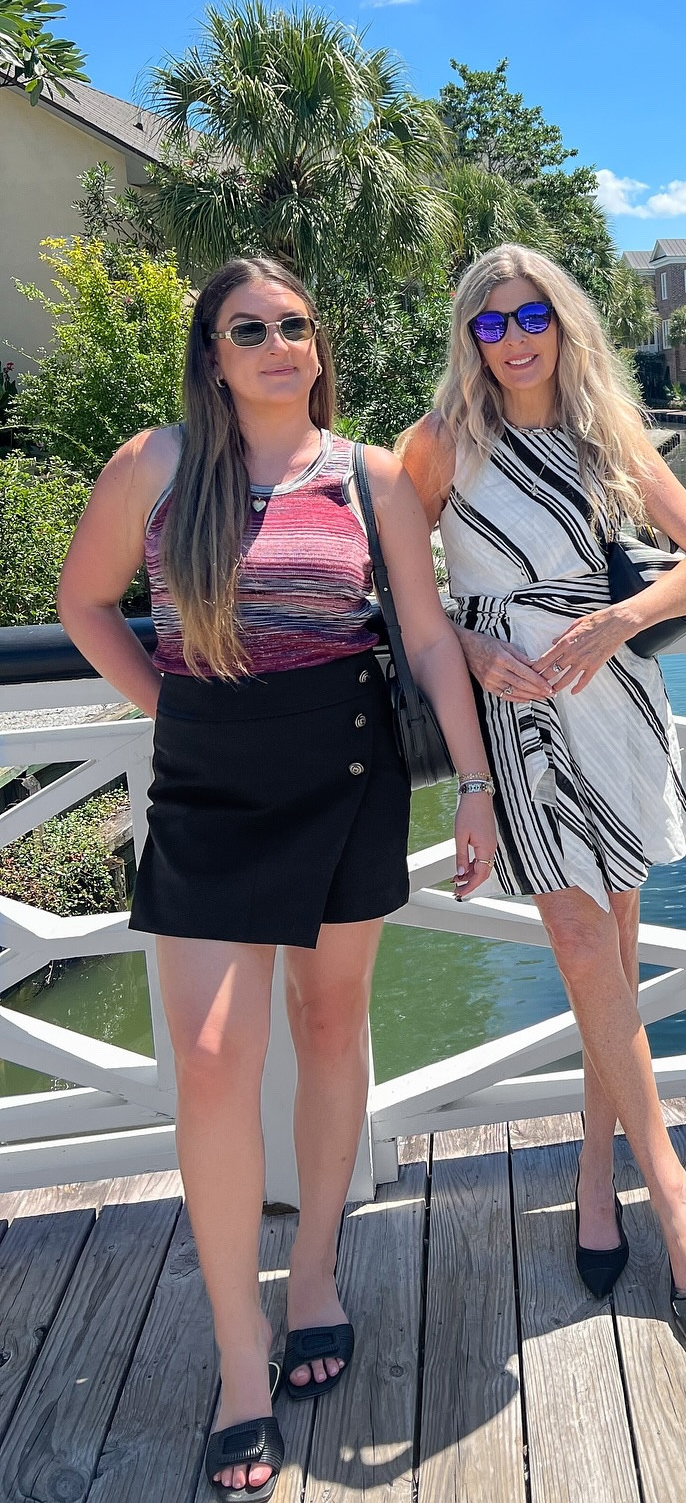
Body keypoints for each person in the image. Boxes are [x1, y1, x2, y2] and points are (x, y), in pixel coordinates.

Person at [58, 257, 495, 1501]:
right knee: (207, 1056)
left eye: (296, 324)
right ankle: (238, 1354)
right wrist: (171, 708)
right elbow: (85, 603)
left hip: (343, 771)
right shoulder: (154, 466)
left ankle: (312, 1272)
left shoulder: (365, 477)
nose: (277, 343)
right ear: (213, 350)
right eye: (250, 327)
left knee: (327, 1020)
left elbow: (421, 633)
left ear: (318, 343)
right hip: (208, 789)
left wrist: (470, 784)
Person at [399, 243, 686, 1353]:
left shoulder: (606, 435)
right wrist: (470, 643)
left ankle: (598, 1175)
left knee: (617, 970)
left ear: (562, 320)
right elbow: (394, 594)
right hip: (516, 714)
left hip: (618, 697)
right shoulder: (439, 445)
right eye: (489, 325)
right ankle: (678, 1205)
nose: (513, 339)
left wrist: (620, 621)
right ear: (469, 339)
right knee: (590, 958)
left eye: (530, 315)